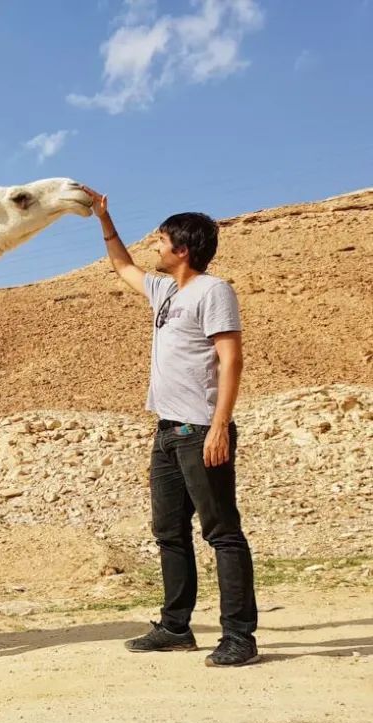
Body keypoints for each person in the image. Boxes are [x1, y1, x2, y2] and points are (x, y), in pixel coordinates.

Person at [81, 185, 260, 667]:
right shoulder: (163, 291)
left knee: (221, 532)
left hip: (201, 430)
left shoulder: (213, 291)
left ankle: (240, 637)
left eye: (161, 240)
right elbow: (122, 267)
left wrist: (220, 426)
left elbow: (231, 359)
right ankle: (176, 627)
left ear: (182, 249)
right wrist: (104, 219)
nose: (154, 247)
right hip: (166, 432)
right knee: (169, 532)